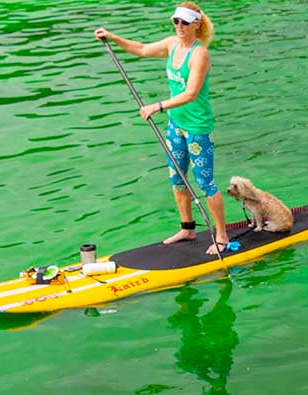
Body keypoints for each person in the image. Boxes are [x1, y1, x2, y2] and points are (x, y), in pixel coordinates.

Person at [95, 3, 230, 255]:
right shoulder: (171, 44)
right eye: (176, 21)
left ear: (196, 24)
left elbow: (190, 93)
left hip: (198, 126)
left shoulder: (200, 54)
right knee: (177, 178)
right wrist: (112, 37)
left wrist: (156, 106)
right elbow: (143, 49)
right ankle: (188, 228)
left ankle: (221, 235)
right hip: (175, 125)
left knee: (204, 182)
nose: (179, 26)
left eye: (185, 22)